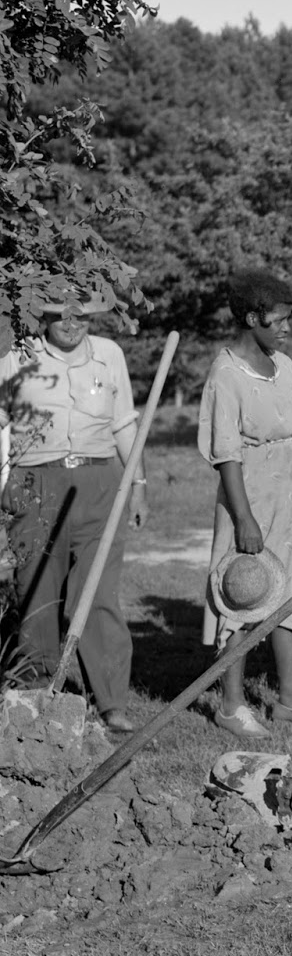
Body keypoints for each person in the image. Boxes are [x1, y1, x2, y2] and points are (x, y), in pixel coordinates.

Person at [0, 288, 144, 734]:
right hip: (35, 480)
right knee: (38, 589)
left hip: (100, 481)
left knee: (99, 593)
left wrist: (137, 483)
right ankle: (36, 693)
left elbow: (124, 424)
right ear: (41, 314)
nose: (71, 322)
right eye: (59, 314)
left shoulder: (108, 355)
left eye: (81, 315)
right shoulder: (15, 354)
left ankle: (111, 701)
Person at [199, 269, 292, 736]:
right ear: (252, 317)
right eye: (279, 319)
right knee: (243, 591)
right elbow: (226, 456)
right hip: (252, 498)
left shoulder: (285, 365)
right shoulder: (226, 374)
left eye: (290, 318)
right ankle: (231, 706)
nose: (288, 327)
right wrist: (244, 518)